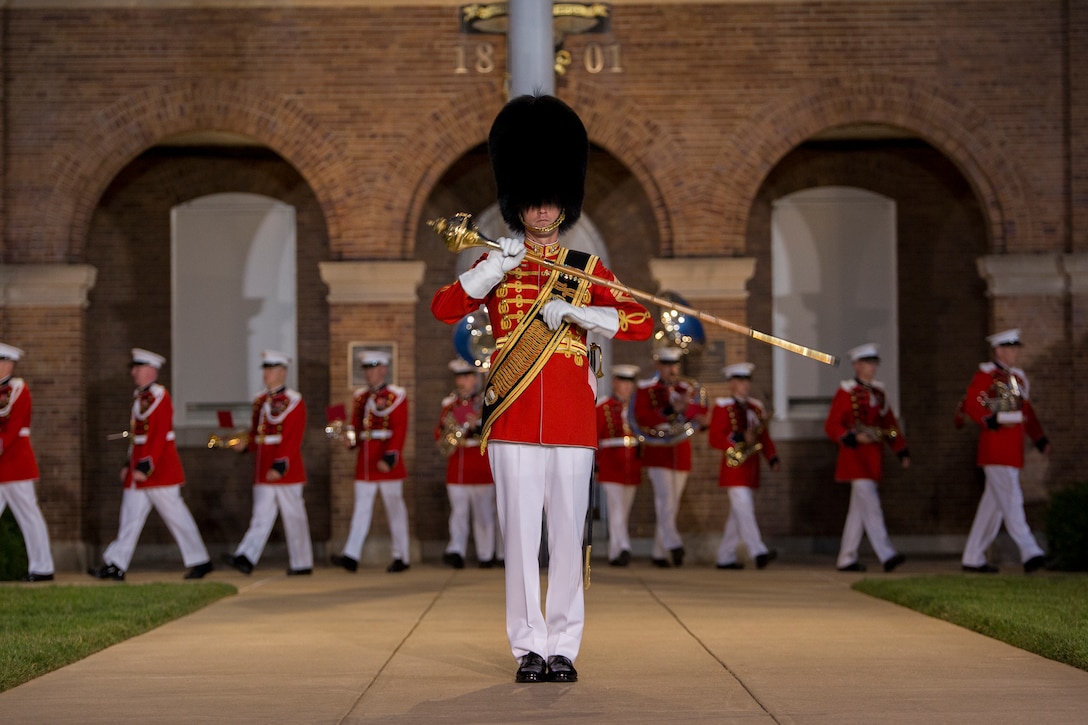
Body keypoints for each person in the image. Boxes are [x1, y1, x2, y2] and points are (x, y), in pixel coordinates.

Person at [431, 94, 653, 684]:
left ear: (564, 205)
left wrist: (581, 315)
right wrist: (487, 270)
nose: (542, 210)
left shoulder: (587, 268)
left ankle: (565, 647)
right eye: (532, 202)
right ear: (518, 205)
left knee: (567, 535)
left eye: (551, 201)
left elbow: (639, 320)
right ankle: (528, 645)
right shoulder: (495, 260)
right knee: (522, 538)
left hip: (573, 421)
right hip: (512, 417)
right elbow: (443, 307)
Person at [89, 348, 213, 581]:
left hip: (158, 471)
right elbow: (138, 437)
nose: (133, 372)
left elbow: (158, 435)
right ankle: (116, 564)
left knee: (176, 516)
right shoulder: (141, 398)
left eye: (138, 367)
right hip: (141, 470)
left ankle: (200, 561)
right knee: (129, 518)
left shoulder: (158, 396)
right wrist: (129, 463)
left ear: (150, 370)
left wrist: (145, 466)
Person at [959, 329, 1049, 574]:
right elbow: (972, 403)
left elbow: (1026, 413)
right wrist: (991, 419)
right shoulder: (987, 375)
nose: (1015, 352)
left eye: (1016, 348)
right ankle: (1030, 551)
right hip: (996, 448)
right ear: (999, 351)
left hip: (1011, 450)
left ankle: (973, 557)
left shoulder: (1018, 378)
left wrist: (1039, 438)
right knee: (1012, 500)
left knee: (994, 508)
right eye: (1010, 348)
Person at [222, 350, 313, 576]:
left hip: (285, 470)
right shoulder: (260, 400)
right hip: (263, 468)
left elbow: (293, 437)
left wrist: (280, 464)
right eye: (265, 369)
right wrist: (245, 445)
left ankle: (302, 562)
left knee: (294, 517)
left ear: (283, 372)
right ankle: (246, 557)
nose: (267, 373)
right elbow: (257, 435)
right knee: (261, 516)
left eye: (271, 369)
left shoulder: (293, 400)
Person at [824, 343, 909, 573]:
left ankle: (846, 557)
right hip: (854, 457)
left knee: (858, 512)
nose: (872, 368)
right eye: (868, 364)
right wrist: (851, 437)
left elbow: (889, 423)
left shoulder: (879, 393)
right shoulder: (846, 391)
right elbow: (832, 425)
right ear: (857, 366)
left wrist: (900, 449)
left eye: (874, 363)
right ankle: (887, 554)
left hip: (873, 456)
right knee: (871, 506)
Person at [330, 349, 411, 574]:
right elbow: (356, 426)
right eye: (366, 369)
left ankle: (401, 556)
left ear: (383, 369)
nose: (369, 374)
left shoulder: (396, 395)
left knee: (395, 510)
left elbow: (400, 428)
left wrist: (391, 456)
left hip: (386, 460)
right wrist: (350, 440)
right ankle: (351, 555)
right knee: (361, 510)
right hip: (365, 461)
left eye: (373, 368)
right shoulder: (360, 397)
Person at [633, 346, 708, 568]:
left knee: (670, 503)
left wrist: (688, 408)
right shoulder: (646, 388)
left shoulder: (686, 388)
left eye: (675, 365)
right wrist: (668, 410)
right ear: (659, 366)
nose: (672, 370)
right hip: (658, 450)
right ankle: (674, 544)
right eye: (667, 365)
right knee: (666, 500)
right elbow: (641, 417)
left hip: (680, 450)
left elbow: (701, 415)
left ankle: (659, 552)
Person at [708, 362, 780, 570]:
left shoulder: (756, 407)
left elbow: (764, 436)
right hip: (733, 466)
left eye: (747, 380)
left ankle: (725, 556)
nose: (744, 385)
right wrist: (738, 437)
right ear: (731, 384)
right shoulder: (723, 406)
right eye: (740, 380)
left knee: (738, 513)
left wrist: (772, 457)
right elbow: (714, 437)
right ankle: (758, 551)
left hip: (750, 466)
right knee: (745, 508)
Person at [0, 343, 56, 582]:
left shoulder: (17, 389)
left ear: (8, 364)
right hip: (5, 464)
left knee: (28, 515)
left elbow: (12, 427)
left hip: (15, 463)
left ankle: (43, 567)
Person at [436, 357, 497, 569]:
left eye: (466, 377)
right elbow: (439, 432)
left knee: (484, 513)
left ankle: (486, 554)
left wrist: (477, 424)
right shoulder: (449, 404)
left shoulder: (486, 401)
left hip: (479, 463)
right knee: (458, 513)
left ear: (475, 378)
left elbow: (495, 430)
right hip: (457, 464)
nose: (461, 381)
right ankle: (456, 551)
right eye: (459, 377)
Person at [595, 363, 642, 567]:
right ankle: (623, 548)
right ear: (615, 382)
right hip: (611, 463)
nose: (626, 387)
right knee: (616, 509)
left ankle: (616, 552)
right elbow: (595, 437)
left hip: (632, 464)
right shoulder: (604, 406)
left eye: (629, 383)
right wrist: (596, 465)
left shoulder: (636, 407)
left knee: (625, 509)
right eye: (622, 382)